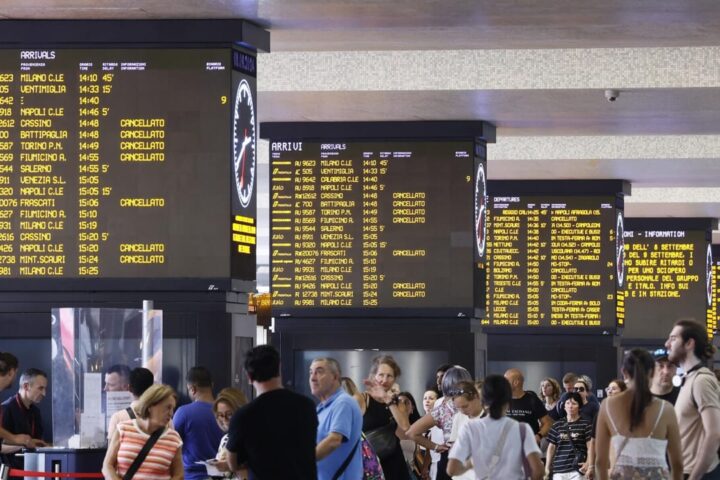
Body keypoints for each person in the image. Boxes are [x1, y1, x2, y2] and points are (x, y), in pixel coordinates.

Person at [226, 345, 317, 479]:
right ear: (279, 368)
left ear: (249, 377)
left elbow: (232, 463)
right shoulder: (306, 405)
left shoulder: (243, 416)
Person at [595, 349, 682, 480]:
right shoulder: (666, 409)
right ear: (652, 372)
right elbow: (677, 464)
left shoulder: (607, 406)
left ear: (624, 372)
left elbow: (600, 463)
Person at [447, 374, 543, 480]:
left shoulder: (470, 428)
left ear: (481, 399)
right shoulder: (522, 429)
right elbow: (538, 471)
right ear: (508, 400)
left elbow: (452, 470)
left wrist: (471, 463)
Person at [665, 319, 720, 479]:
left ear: (689, 343)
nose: (667, 343)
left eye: (673, 338)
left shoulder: (701, 381)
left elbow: (714, 433)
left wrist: (694, 477)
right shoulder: (690, 379)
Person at [102, 384, 183, 480]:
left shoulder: (173, 438)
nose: (171, 413)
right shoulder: (123, 429)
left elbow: (179, 475)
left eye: (173, 408)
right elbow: (107, 466)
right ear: (150, 406)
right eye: (168, 407)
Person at [406, 366, 473, 480]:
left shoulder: (443, 409)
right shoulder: (479, 403)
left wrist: (436, 447)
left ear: (446, 384)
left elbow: (411, 432)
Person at [310, 357, 363, 480]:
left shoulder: (343, 403)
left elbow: (334, 440)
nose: (312, 378)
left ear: (335, 377)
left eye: (319, 371)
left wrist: (302, 462)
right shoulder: (322, 408)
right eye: (311, 372)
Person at [361, 355, 411, 480]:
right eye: (381, 375)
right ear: (373, 376)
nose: (384, 379)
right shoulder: (363, 399)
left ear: (395, 379)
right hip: (370, 461)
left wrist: (387, 399)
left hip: (393, 459)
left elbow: (405, 429)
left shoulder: (398, 402)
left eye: (389, 376)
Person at [172, 366, 224, 480]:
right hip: (223, 475)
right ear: (212, 385)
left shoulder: (183, 413)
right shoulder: (225, 412)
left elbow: (171, 445)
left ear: (192, 389)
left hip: (193, 476)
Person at [1, 368, 49, 467]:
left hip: (32, 470)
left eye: (45, 389)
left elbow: (35, 442)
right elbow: (1, 446)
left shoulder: (36, 412)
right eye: (40, 388)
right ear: (26, 386)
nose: (44, 394)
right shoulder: (5, 409)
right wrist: (23, 444)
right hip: (9, 472)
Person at [546, 392, 595, 480]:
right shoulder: (557, 425)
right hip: (559, 469)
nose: (570, 406)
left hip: (577, 470)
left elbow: (590, 447)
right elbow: (551, 447)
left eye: (574, 403)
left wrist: (588, 463)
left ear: (579, 406)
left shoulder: (586, 424)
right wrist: (547, 467)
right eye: (567, 403)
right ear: (564, 406)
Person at [0, 353, 39, 449]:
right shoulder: (8, 407)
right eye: (16, 373)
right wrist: (14, 438)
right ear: (11, 372)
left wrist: (19, 440)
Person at [504, 368, 553, 445]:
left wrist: (538, 436)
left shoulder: (532, 399)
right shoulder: (501, 400)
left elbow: (548, 423)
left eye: (506, 381)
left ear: (516, 382)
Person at [107, 367, 155, 440]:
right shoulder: (165, 419)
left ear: (129, 388)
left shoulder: (118, 418)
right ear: (152, 389)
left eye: (111, 385)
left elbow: (111, 449)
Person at [211, 388, 248, 478]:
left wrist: (230, 466)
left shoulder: (251, 437)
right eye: (220, 415)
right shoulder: (225, 439)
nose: (224, 420)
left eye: (229, 414)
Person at [422, 389, 442, 480]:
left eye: (431, 398)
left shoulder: (440, 421)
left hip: (439, 462)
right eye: (425, 398)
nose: (427, 400)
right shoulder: (419, 423)